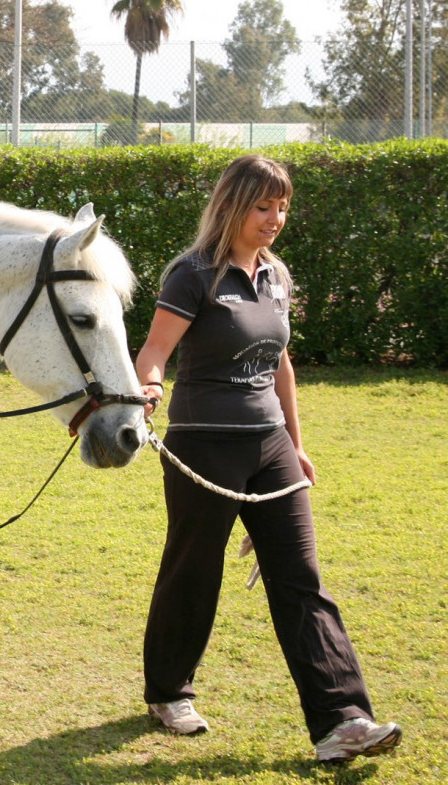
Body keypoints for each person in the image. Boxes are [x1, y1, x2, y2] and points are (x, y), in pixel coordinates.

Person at [134, 155, 401, 762]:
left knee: (301, 578)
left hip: (271, 446)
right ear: (232, 205)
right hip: (202, 444)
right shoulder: (192, 274)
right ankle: (168, 691)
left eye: (283, 207)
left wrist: (297, 446)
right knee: (194, 570)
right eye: (263, 206)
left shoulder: (275, 274)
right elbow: (153, 352)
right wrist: (148, 391)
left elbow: (280, 361)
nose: (276, 218)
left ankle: (342, 721)